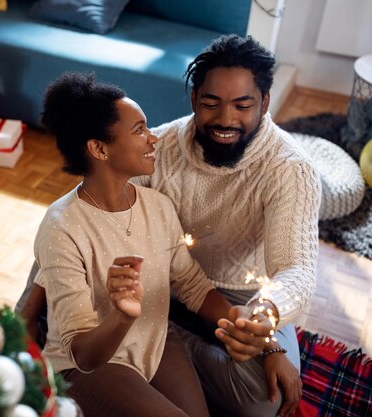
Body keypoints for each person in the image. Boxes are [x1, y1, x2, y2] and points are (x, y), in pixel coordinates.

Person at [18, 35, 320, 417]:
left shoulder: (290, 170)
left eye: (242, 105)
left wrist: (266, 326)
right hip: (144, 301)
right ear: (194, 100)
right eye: (211, 103)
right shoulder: (157, 152)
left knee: (264, 400)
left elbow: (296, 268)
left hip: (236, 292)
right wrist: (27, 312)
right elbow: (80, 217)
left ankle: (168, 329)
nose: (227, 119)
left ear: (264, 102)